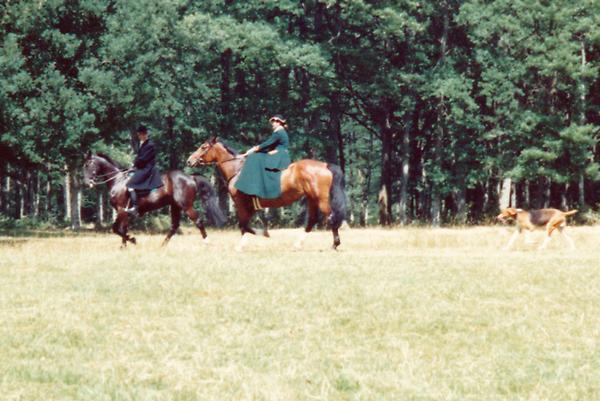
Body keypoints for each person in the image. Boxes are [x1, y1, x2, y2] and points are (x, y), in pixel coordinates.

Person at [235, 115, 291, 199]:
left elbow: (267, 143)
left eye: (275, 122)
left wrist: (253, 150)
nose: (273, 124)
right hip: (278, 153)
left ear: (279, 123)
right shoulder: (279, 132)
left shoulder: (279, 132)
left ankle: (253, 187)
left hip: (279, 155)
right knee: (257, 155)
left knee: (254, 157)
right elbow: (269, 145)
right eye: (272, 122)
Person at [125, 125, 163, 216]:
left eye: (140, 135)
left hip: (147, 169)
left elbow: (143, 159)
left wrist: (135, 164)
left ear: (144, 134)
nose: (139, 136)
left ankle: (135, 207)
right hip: (142, 167)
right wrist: (134, 166)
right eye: (138, 135)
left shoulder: (150, 145)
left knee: (130, 185)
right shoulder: (144, 144)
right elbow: (140, 158)